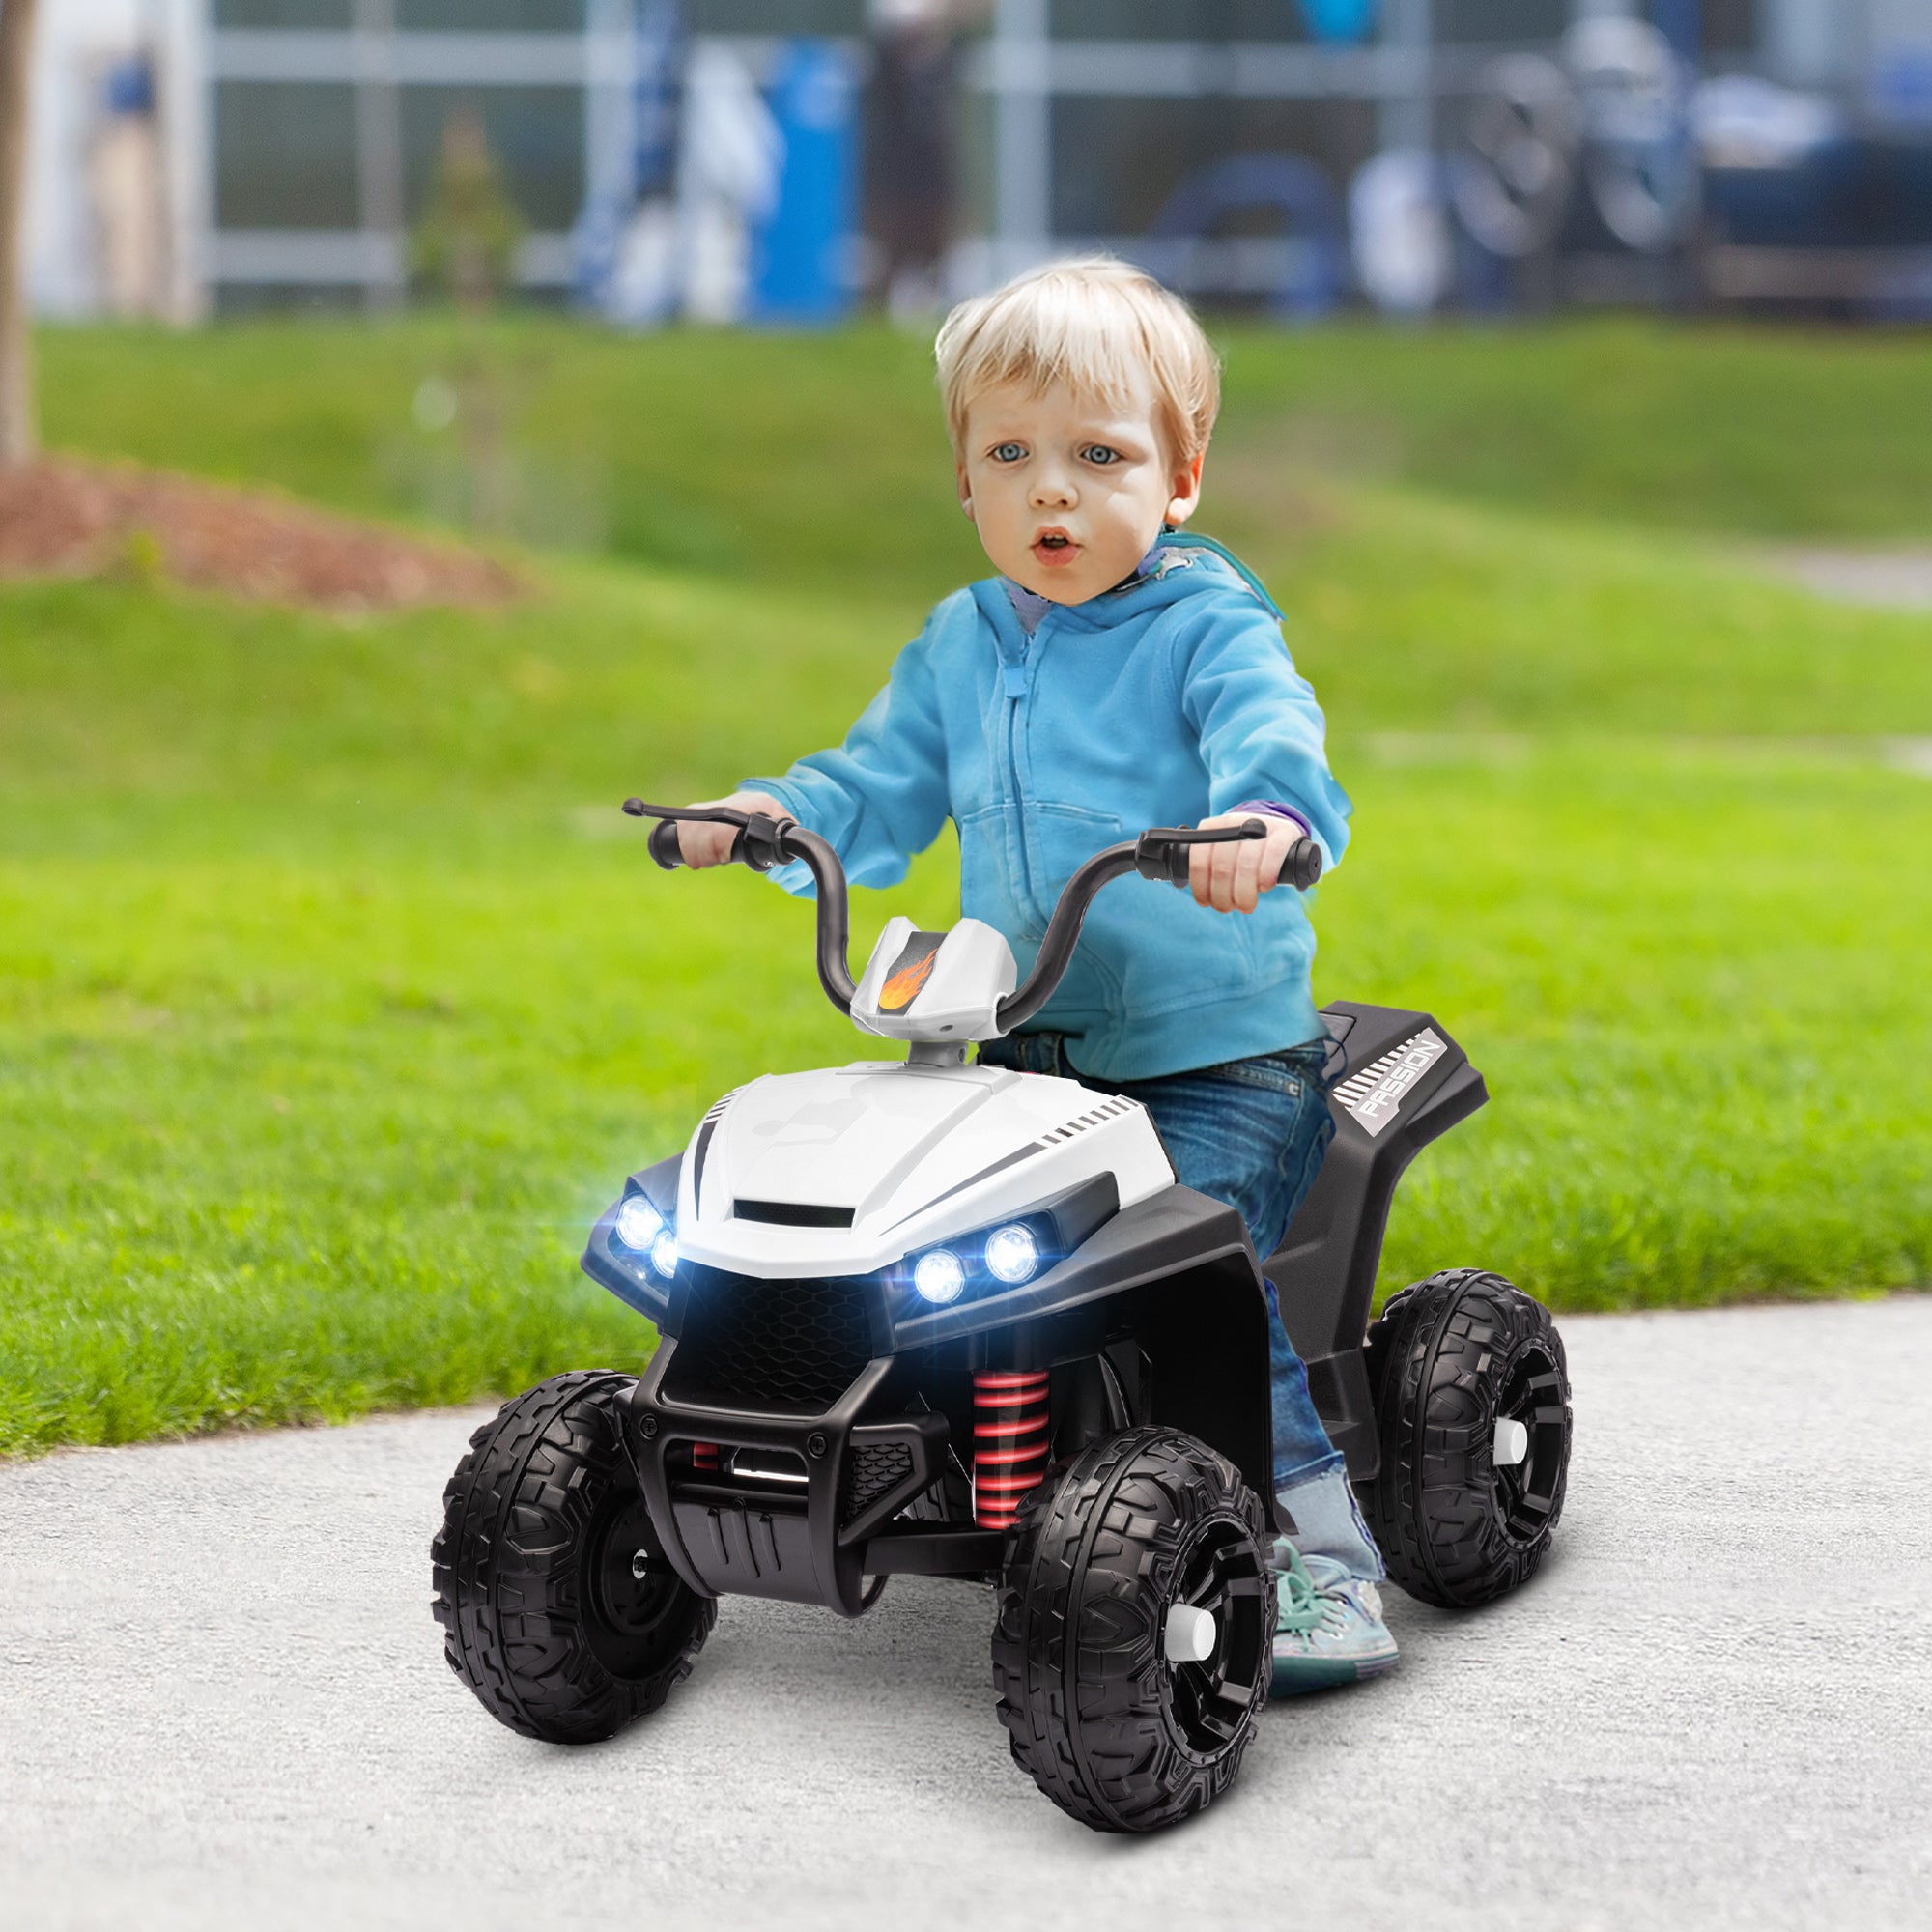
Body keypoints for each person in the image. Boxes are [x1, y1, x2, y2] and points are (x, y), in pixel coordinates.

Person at [673, 256, 1395, 1693]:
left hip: (1215, 1064)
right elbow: (869, 784)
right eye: (1010, 455)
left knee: (1200, 1276)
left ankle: (1323, 1560)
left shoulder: (1207, 623)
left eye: (1098, 456)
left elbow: (1275, 734)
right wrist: (776, 820)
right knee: (901, 1255)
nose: (1051, 494)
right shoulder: (962, 641)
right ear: (963, 479)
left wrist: (1265, 823)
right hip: (1024, 1057)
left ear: (1180, 478)